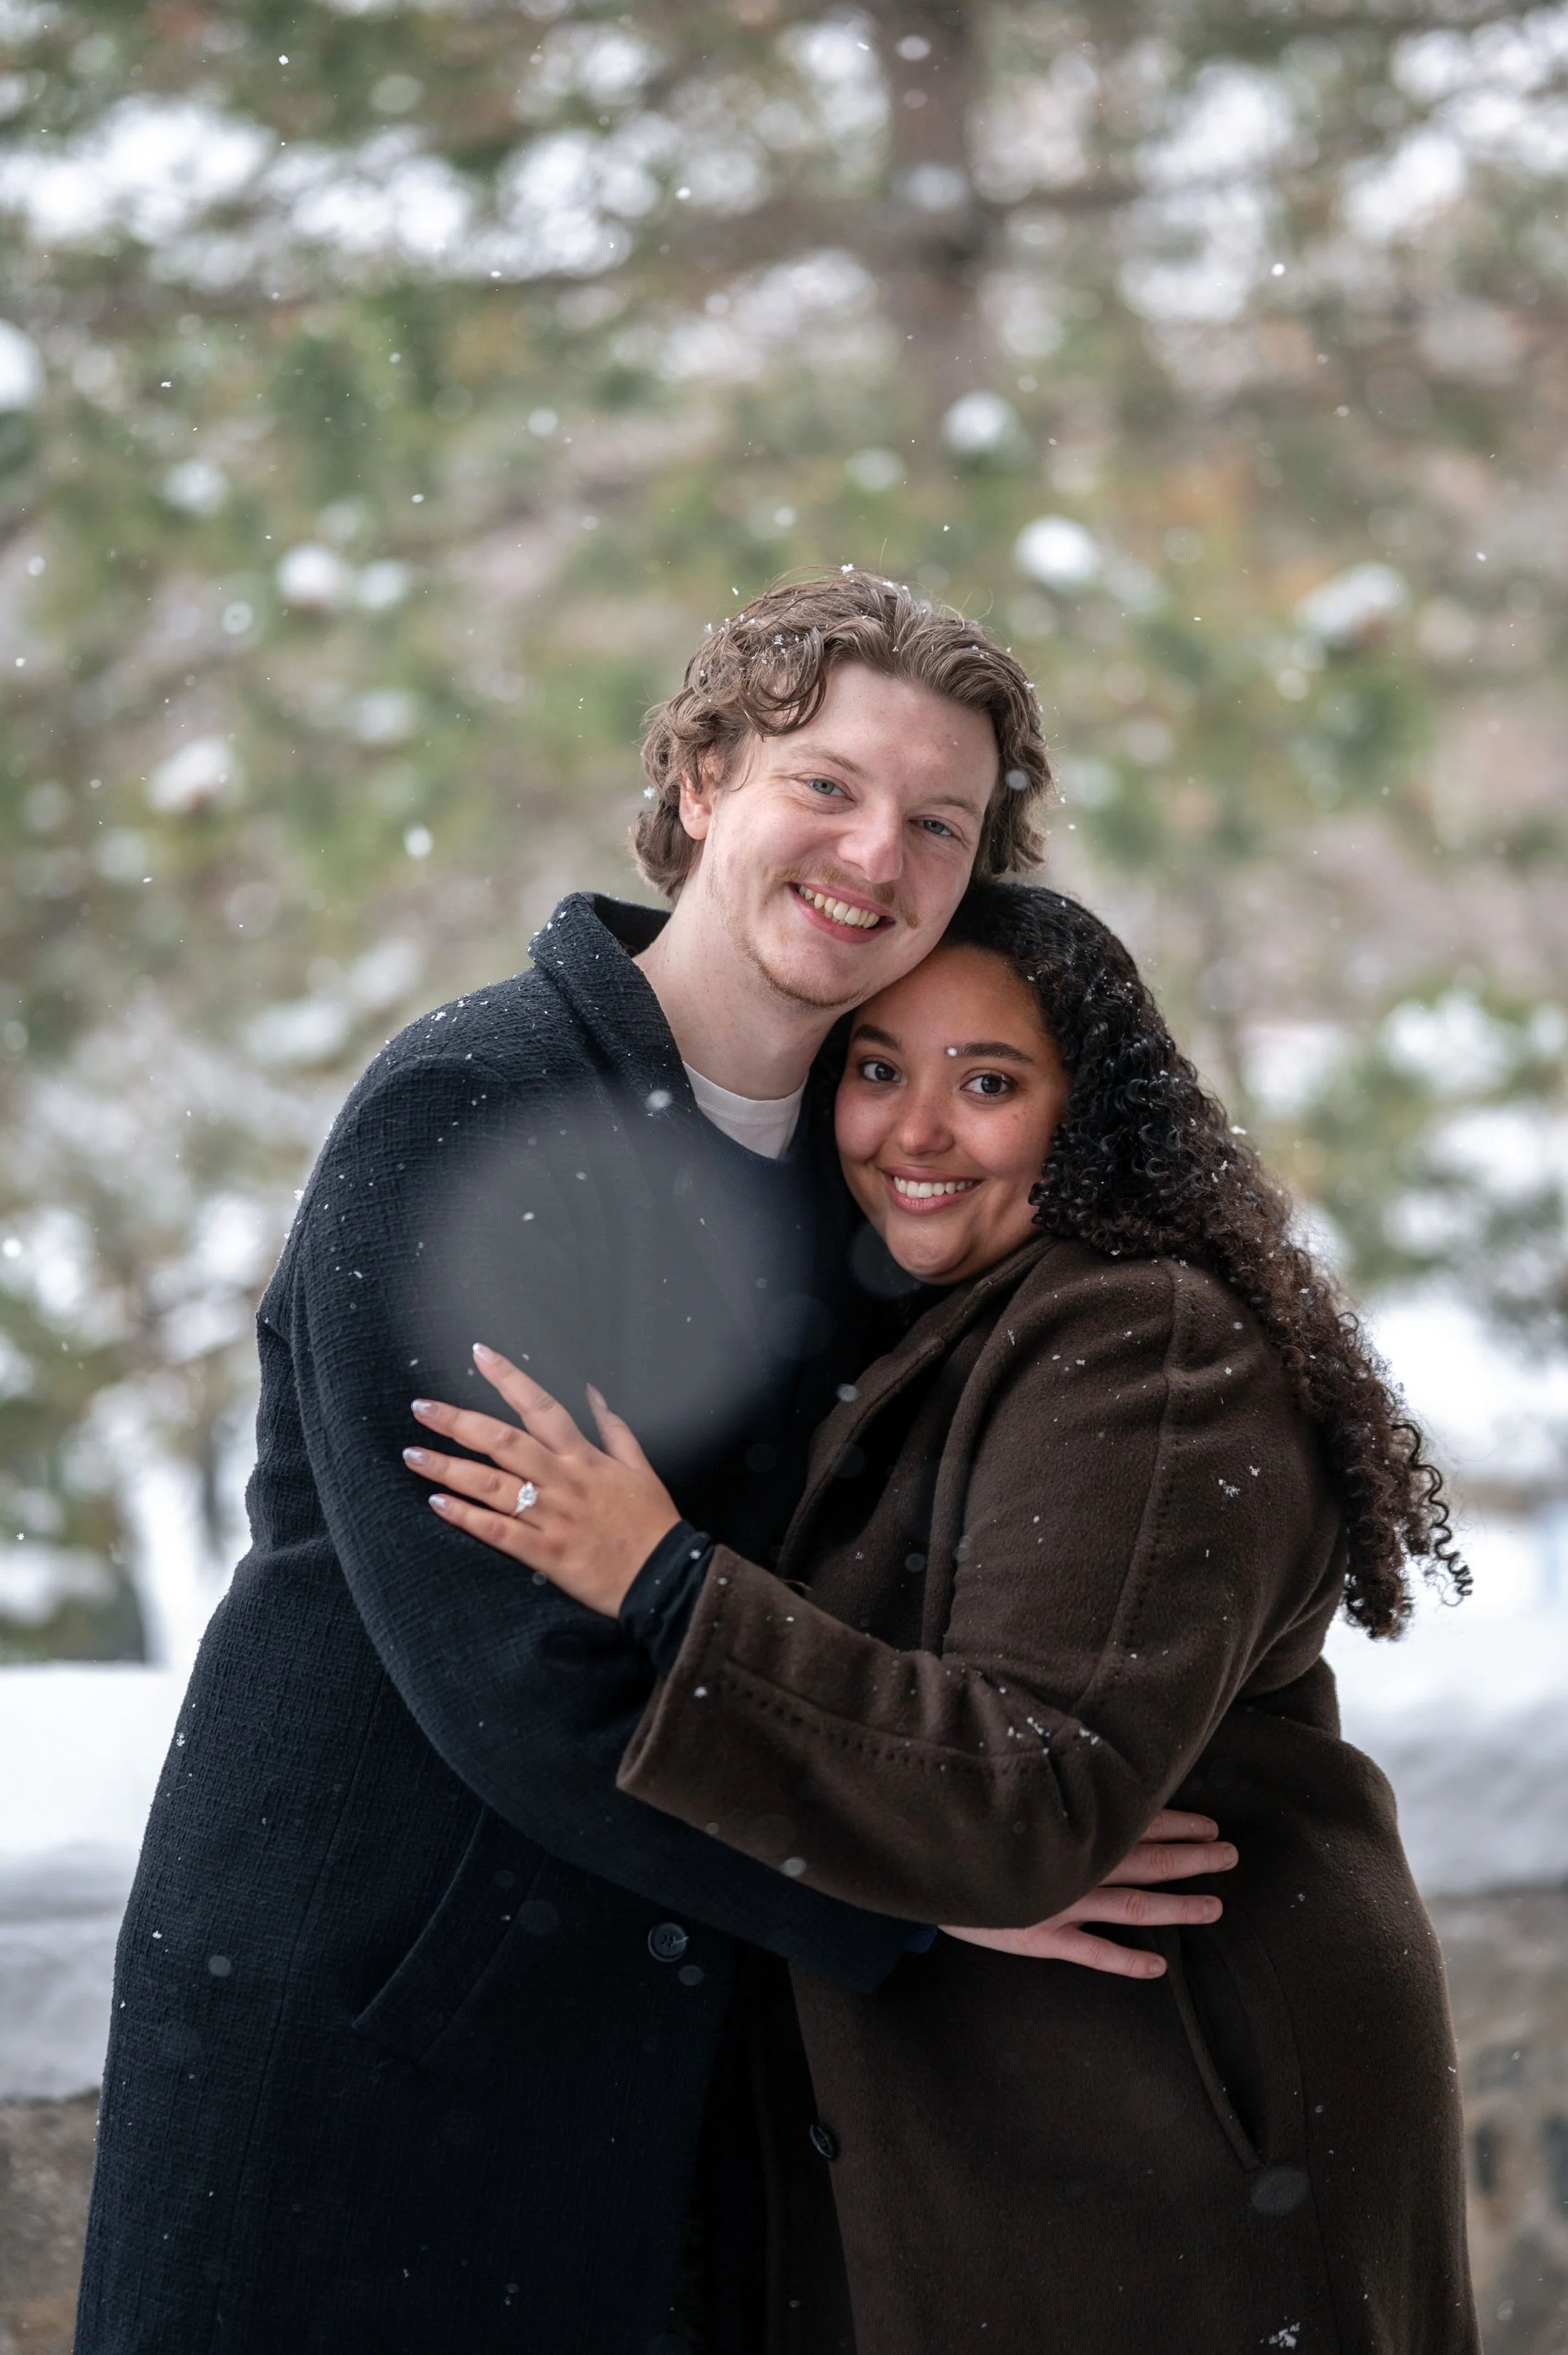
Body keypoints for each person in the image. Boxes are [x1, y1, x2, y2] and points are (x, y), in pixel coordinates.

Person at [74, 577, 1230, 2355]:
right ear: (699, 779)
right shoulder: (476, 1107)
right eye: (824, 786)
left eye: (939, 819)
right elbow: (513, 1677)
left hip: (658, 2065)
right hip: (372, 2037)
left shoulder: (866, 1177)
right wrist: (935, 1882)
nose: (877, 851)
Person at [407, 880, 1482, 2355]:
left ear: (1092, 1112)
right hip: (1068, 2126)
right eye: (875, 1068)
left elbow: (1024, 1792)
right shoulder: (970, 1314)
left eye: (986, 1081)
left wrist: (660, 1577)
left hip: (1168, 2130)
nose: (913, 1131)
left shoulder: (1139, 1339)